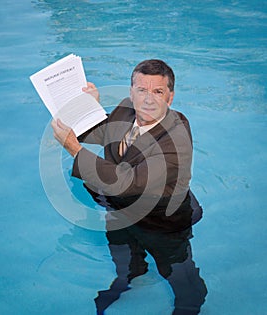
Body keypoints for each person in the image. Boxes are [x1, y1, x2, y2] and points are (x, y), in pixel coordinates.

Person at [51, 59, 207, 315]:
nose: (147, 100)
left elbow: (127, 183)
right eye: (141, 90)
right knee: (122, 253)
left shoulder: (175, 140)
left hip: (161, 223)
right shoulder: (125, 108)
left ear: (170, 97)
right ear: (131, 92)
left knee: (179, 274)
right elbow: (103, 133)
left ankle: (190, 303)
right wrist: (87, 108)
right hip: (120, 210)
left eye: (157, 92)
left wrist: (73, 149)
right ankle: (130, 277)